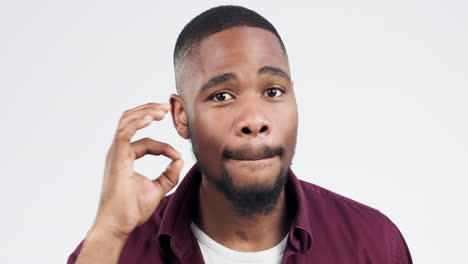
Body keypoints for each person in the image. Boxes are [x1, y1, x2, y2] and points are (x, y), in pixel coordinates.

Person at [67, 5, 412, 264]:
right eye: (222, 96)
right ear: (181, 115)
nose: (255, 120)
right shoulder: (114, 250)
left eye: (273, 91)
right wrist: (109, 232)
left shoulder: (373, 243)